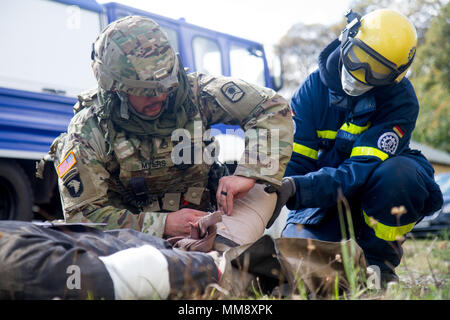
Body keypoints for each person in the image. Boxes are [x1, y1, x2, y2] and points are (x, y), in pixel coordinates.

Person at [41, 16, 293, 246]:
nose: (160, 96)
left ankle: (222, 255)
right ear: (115, 88)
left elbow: (271, 107)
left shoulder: (195, 93)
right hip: (133, 242)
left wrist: (249, 173)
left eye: (165, 85)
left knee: (266, 184)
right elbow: (84, 218)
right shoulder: (88, 130)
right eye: (146, 91)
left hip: (212, 224)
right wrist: (162, 225)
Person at [273, 9, 443, 285]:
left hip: (371, 196)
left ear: (395, 75)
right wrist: (279, 186)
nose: (360, 72)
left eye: (376, 69)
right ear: (346, 39)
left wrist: (298, 188)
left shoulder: (401, 101)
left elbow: (360, 171)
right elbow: (295, 164)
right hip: (321, 203)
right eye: (358, 57)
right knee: (304, 265)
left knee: (400, 174)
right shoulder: (312, 89)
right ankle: (341, 261)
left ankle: (380, 263)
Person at [0, 220, 221, 299]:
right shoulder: (16, 265)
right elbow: (118, 276)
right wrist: (212, 268)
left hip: (157, 246)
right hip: (180, 260)